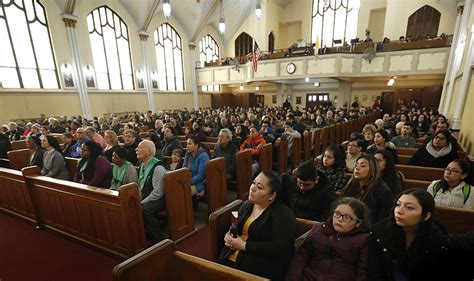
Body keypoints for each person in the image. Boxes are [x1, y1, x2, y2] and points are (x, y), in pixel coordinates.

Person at [368, 188, 474, 281]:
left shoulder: (436, 239)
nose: (399, 211)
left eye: (409, 208)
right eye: (398, 205)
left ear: (426, 216)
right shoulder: (380, 231)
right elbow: (374, 271)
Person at [220, 171, 296, 281]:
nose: (253, 188)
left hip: (257, 266)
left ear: (272, 195)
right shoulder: (248, 205)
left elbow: (280, 248)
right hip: (231, 255)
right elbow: (235, 221)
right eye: (253, 183)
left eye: (259, 187)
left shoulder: (283, 214)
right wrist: (230, 235)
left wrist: (244, 245)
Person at [286, 197, 370, 281]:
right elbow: (301, 258)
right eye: (337, 214)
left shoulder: (363, 240)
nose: (339, 219)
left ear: (358, 223)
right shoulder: (319, 229)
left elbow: (362, 273)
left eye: (346, 218)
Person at [342, 154, 394, 223]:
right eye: (356, 165)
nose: (357, 168)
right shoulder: (351, 186)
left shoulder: (383, 192)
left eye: (363, 166)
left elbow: (383, 221)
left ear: (373, 171)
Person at [136, 139, 167, 245]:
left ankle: (158, 238)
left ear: (149, 151)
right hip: (148, 195)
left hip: (160, 198)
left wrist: (143, 201)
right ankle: (143, 233)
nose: (137, 149)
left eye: (140, 147)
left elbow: (158, 192)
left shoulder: (158, 168)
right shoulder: (142, 165)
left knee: (145, 209)